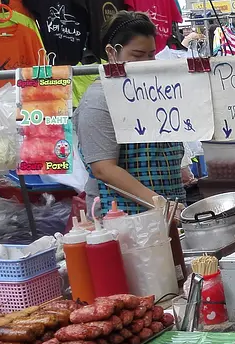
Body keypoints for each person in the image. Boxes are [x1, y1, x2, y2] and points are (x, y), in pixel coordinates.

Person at [76, 11, 185, 214]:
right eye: (137, 56)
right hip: (121, 219)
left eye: (151, 55)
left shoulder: (153, 93)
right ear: (111, 52)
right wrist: (161, 205)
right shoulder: (99, 100)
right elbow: (104, 169)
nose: (146, 63)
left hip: (167, 212)